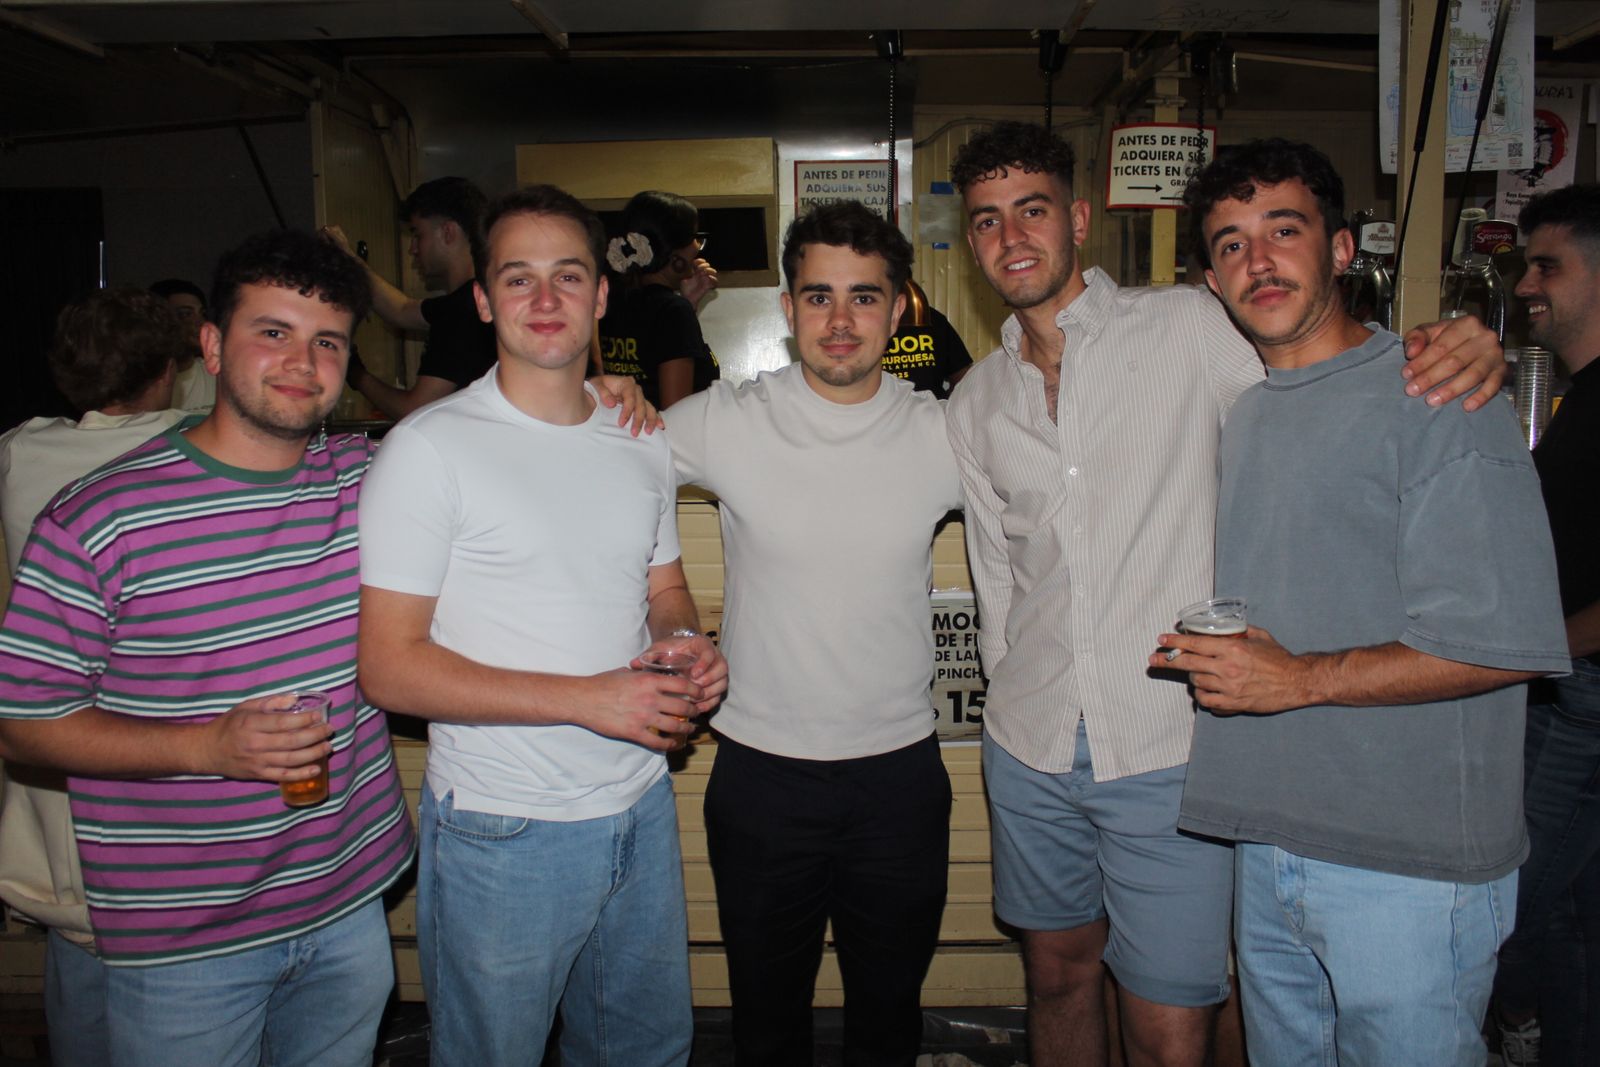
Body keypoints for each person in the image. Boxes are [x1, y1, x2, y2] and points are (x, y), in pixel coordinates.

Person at [943, 120, 1508, 1066]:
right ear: (971, 242)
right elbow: (996, 579)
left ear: (1077, 218)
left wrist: (1446, 344)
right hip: (1031, 743)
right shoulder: (978, 399)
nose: (1013, 238)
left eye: (1032, 210)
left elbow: (1322, 370)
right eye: (988, 220)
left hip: (1169, 743)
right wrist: (1014, 699)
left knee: (1174, 1022)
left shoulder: (1189, 325)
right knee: (1055, 978)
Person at [1163, 137, 1568, 1065]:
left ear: (1342, 250)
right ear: (1211, 283)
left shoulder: (1436, 393)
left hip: (1409, 869)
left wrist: (1297, 677)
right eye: (1229, 243)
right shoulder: (1249, 409)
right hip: (1269, 843)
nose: (1256, 260)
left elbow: (1503, 642)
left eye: (1283, 230)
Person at [0, 230, 417, 1067]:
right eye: (273, 332)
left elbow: (493, 433)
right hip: (186, 937)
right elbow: (25, 727)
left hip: (346, 907)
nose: (303, 361)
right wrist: (210, 746)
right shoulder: (97, 518)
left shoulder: (366, 479)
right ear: (212, 346)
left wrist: (602, 391)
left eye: (327, 340)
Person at [355, 183, 727, 1067]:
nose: (546, 299)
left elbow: (663, 585)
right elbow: (389, 669)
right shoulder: (429, 447)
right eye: (518, 279)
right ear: (483, 301)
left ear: (603, 294)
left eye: (568, 275)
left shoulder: (638, 434)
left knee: (647, 1053)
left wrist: (686, 641)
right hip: (502, 832)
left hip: (639, 806)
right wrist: (589, 699)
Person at [667, 200, 963, 1066]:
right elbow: (596, 466)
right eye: (820, 296)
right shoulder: (728, 418)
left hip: (900, 781)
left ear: (901, 306)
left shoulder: (944, 433)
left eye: (865, 297)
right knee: (765, 1021)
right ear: (789, 308)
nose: (841, 320)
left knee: (888, 1020)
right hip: (760, 780)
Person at [0, 287, 189, 1066]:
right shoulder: (188, 442)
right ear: (167, 374)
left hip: (51, 721)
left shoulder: (15, 449)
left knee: (75, 936)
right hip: (154, 729)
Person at [1490, 182, 1600, 1067]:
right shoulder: (1578, 395)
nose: (1529, 282)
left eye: (1547, 265)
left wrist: (1540, 648)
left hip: (1580, 699)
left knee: (1510, 904)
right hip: (1558, 693)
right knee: (1564, 913)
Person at [323, 175, 497, 417]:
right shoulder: (471, 298)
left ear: (448, 232)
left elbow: (415, 409)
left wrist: (354, 373)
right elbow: (401, 310)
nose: (412, 249)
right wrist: (349, 260)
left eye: (417, 234)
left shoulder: (462, 309)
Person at [599, 189, 721, 408]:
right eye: (693, 237)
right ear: (673, 254)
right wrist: (682, 307)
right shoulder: (672, 311)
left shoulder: (606, 303)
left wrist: (689, 302)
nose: (697, 246)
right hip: (661, 441)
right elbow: (677, 414)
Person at [149, 277, 216, 410]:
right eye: (186, 314)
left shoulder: (217, 375)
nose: (199, 321)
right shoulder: (145, 387)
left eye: (202, 313)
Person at [884, 302, 971, 399]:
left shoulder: (931, 317)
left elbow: (963, 376)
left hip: (931, 411)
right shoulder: (870, 320)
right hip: (878, 412)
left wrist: (945, 407)